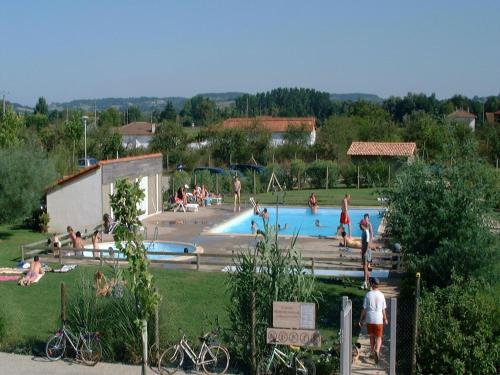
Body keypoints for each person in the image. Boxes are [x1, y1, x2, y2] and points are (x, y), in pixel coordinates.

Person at [358, 277, 388, 364]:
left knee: (371, 336)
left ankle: (371, 352)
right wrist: (385, 319)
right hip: (378, 319)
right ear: (378, 285)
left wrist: (361, 319)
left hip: (370, 318)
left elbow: (364, 309)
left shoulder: (368, 295)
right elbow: (383, 310)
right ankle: (377, 351)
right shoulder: (382, 295)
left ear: (372, 284)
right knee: (379, 337)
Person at [360, 218, 370, 289]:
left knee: (365, 267)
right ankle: (367, 281)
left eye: (360, 225)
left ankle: (365, 282)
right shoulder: (363, 231)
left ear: (362, 225)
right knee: (365, 267)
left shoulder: (366, 232)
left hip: (365, 252)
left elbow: (367, 243)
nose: (359, 226)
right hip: (364, 251)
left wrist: (364, 252)